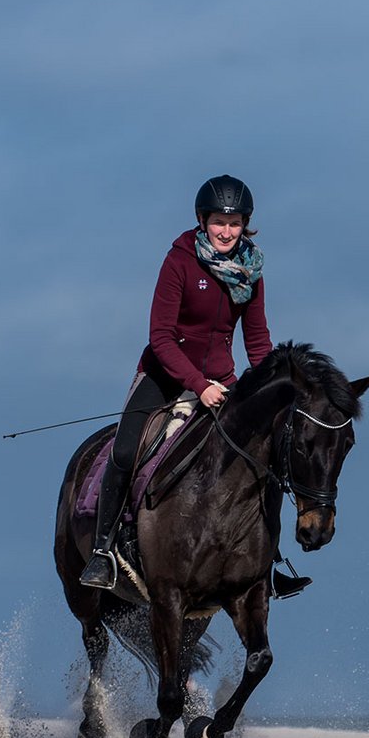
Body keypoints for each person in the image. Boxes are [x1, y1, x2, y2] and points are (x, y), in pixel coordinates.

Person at [80, 173, 308, 595]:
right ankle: (103, 551)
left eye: (235, 222)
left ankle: (269, 562)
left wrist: (272, 386)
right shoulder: (179, 262)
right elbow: (160, 337)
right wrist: (198, 384)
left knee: (265, 453)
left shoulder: (250, 271)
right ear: (203, 220)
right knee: (127, 449)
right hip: (164, 377)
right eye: (219, 221)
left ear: (245, 224)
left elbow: (257, 340)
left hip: (222, 381)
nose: (226, 231)